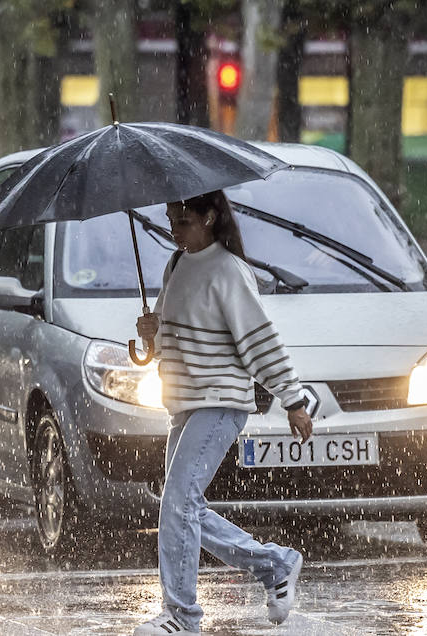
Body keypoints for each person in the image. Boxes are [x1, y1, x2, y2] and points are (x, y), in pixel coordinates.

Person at [133, 190, 315, 636]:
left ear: (211, 217)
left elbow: (259, 341)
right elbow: (168, 337)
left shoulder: (229, 270)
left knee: (178, 504)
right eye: (172, 220)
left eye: (185, 221)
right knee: (181, 507)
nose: (175, 230)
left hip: (221, 403)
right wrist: (150, 334)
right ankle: (276, 564)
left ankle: (182, 616)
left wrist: (292, 399)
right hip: (185, 404)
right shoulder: (175, 265)